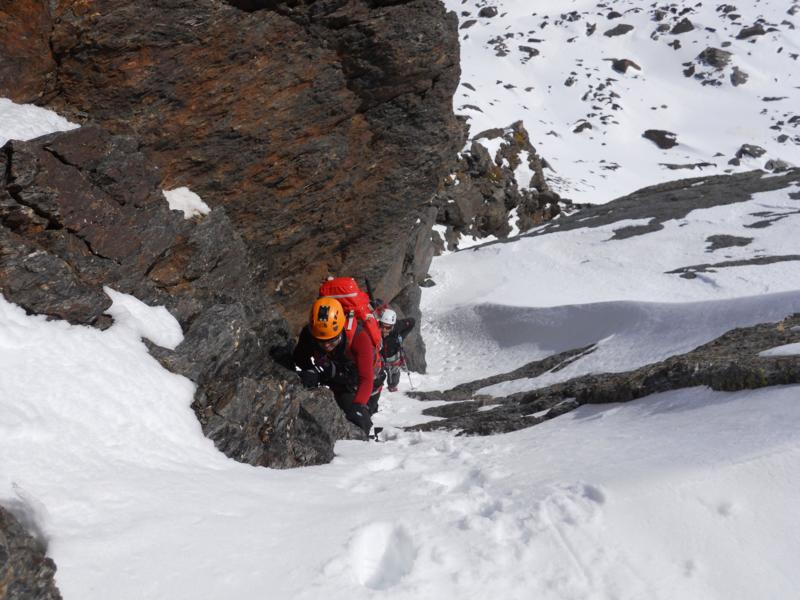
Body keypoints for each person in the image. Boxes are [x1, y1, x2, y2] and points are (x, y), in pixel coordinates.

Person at [293, 297, 383, 434]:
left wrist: (358, 406)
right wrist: (310, 371)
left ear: (340, 330)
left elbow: (366, 379)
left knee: (359, 417)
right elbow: (300, 357)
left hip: (358, 381)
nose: (326, 345)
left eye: (332, 340)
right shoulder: (310, 333)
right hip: (334, 373)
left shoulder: (359, 338)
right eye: (321, 341)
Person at [378, 308, 416, 392]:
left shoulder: (398, 326)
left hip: (393, 355)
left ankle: (392, 386)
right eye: (382, 326)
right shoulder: (376, 328)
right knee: (378, 374)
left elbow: (412, 321)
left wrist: (402, 336)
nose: (384, 330)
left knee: (393, 373)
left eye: (387, 327)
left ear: (393, 325)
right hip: (380, 356)